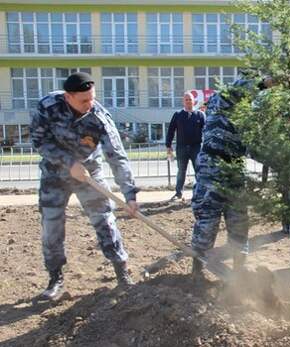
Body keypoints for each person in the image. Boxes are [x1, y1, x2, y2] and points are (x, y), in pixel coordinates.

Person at [30, 72, 139, 300]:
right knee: (51, 225)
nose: (90, 105)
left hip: (89, 172)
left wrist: (129, 194)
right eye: (84, 101)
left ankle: (122, 273)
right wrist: (68, 163)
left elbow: (117, 157)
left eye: (92, 98)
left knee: (104, 219)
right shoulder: (48, 107)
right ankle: (55, 278)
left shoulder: (99, 116)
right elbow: (39, 141)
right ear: (68, 97)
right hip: (54, 174)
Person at [191, 76, 276, 278]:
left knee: (239, 222)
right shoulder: (220, 103)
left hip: (235, 170)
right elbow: (236, 91)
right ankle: (197, 270)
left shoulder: (246, 119)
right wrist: (264, 83)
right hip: (211, 168)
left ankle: (239, 272)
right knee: (207, 221)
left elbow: (254, 149)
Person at [165, 92, 206, 201]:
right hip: (182, 148)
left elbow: (206, 131)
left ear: (194, 101)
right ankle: (178, 194)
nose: (188, 101)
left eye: (190, 99)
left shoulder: (200, 115)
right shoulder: (178, 114)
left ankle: (200, 194)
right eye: (186, 99)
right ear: (183, 101)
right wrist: (168, 145)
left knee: (199, 170)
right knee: (181, 170)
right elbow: (171, 130)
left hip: (196, 148)